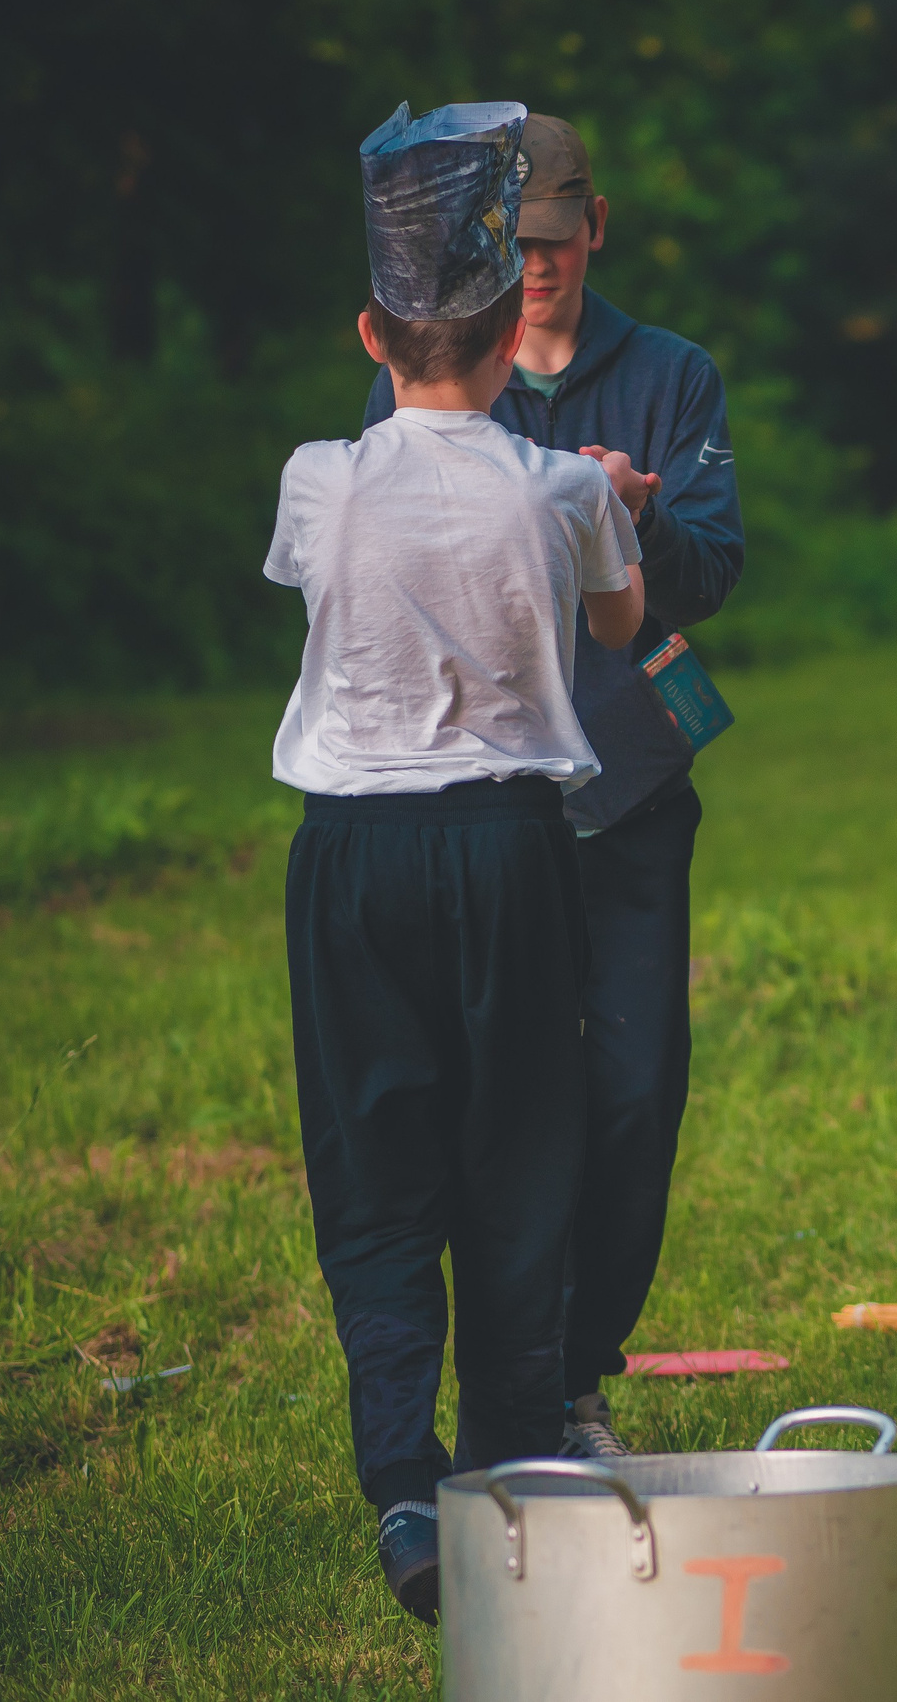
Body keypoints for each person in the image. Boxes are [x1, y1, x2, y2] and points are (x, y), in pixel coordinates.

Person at [277, 101, 645, 1621]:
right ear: (514, 336)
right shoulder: (560, 488)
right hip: (509, 849)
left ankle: (401, 1491)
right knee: (519, 1158)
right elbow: (616, 627)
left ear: (376, 330)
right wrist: (614, 508)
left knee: (376, 1161)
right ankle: (507, 1464)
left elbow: (321, 588)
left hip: (353, 855)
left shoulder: (317, 476)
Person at [365, 114, 745, 1456]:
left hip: (632, 788)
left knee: (635, 1093)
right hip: (489, 798)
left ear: (596, 229)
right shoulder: (437, 366)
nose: (533, 267)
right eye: (508, 244)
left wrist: (632, 510)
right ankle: (514, 1386)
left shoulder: (673, 374)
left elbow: (712, 566)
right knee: (507, 1102)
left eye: (552, 239)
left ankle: (581, 1371)